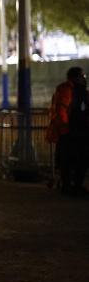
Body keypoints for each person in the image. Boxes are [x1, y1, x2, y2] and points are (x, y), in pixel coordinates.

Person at [46, 66, 88, 196]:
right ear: (76, 77)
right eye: (82, 76)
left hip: (74, 131)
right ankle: (72, 186)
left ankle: (71, 186)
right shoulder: (68, 90)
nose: (84, 79)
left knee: (71, 160)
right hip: (72, 132)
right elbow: (61, 110)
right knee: (74, 160)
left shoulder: (70, 89)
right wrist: (65, 128)